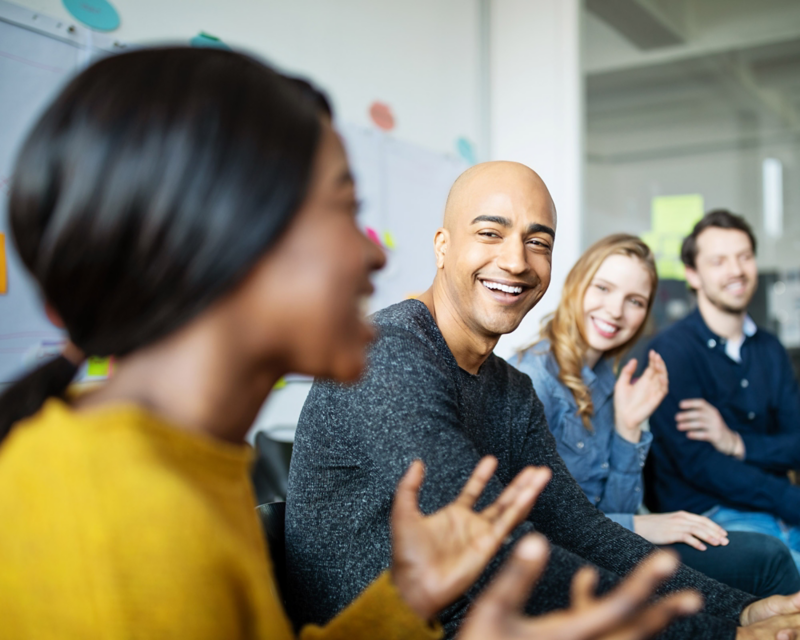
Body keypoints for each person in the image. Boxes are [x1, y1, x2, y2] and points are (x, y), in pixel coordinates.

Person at [0, 46, 707, 640]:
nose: (373, 258)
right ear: (229, 242)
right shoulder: (120, 529)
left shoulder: (180, 467)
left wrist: (400, 608)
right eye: (343, 212)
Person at [286, 161, 800, 639]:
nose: (515, 261)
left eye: (538, 242)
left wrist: (734, 609)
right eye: (490, 233)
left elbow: (581, 528)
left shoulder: (511, 388)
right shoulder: (390, 354)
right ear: (442, 246)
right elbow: (495, 549)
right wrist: (718, 632)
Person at [512, 233, 800, 597]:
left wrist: (628, 427)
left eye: (634, 301)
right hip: (563, 565)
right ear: (576, 285)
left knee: (769, 557)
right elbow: (536, 522)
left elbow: (613, 508)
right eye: (603, 288)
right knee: (771, 558)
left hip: (608, 548)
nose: (616, 311)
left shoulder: (608, 380)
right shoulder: (532, 380)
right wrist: (641, 524)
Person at [648, 209, 800, 573]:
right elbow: (701, 465)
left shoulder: (770, 348)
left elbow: (796, 442)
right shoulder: (673, 351)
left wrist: (738, 443)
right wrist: (788, 498)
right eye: (719, 261)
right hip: (713, 515)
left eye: (744, 257)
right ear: (693, 274)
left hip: (780, 509)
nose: (736, 271)